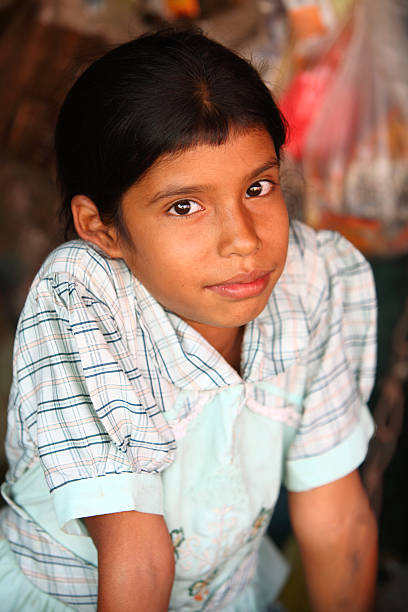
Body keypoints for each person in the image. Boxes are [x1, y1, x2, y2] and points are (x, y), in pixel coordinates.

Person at [0, 28, 378, 612]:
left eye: (258, 186)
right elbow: (139, 557)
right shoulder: (82, 298)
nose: (243, 241)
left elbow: (337, 520)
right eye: (184, 206)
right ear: (101, 228)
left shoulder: (313, 278)